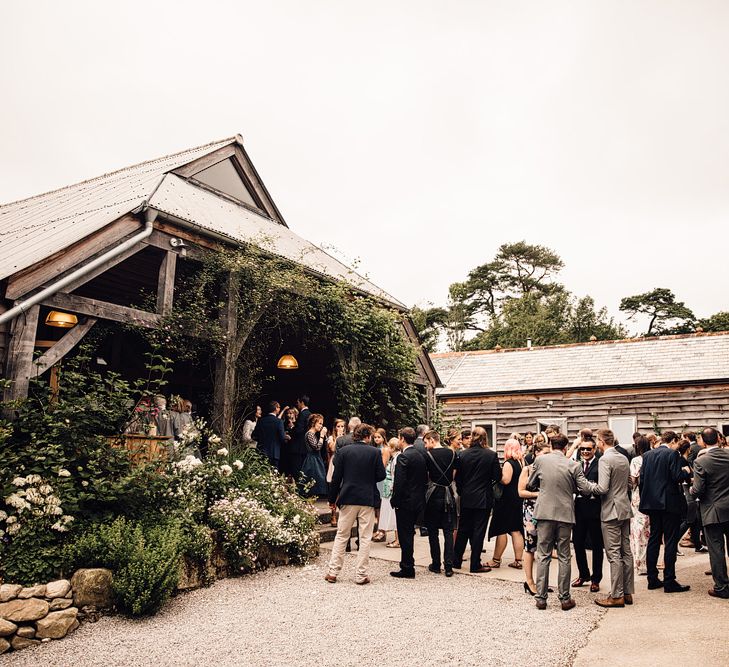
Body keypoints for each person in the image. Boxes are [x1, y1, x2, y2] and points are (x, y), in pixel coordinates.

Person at [527, 434, 596, 611]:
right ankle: (565, 598)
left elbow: (531, 483)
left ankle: (541, 598)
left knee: (543, 555)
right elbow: (585, 489)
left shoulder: (541, 461)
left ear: (551, 445)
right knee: (564, 556)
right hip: (565, 513)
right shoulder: (574, 465)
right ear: (566, 447)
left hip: (544, 513)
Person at [325, 423, 386, 585]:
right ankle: (361, 575)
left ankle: (332, 572)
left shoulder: (344, 452)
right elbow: (381, 476)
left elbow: (336, 478)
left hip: (348, 497)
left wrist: (332, 500)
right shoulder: (374, 452)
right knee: (365, 537)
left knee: (342, 535)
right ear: (367, 436)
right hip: (367, 498)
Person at [639, 430, 692, 593]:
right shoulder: (673, 454)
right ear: (674, 440)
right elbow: (676, 476)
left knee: (654, 539)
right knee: (670, 540)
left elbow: (642, 479)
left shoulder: (647, 455)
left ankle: (652, 578)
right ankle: (669, 580)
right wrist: (686, 472)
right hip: (669, 503)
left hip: (652, 503)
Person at [592, 429, 635, 608]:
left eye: (597, 441)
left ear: (602, 441)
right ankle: (627, 592)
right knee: (626, 551)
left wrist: (586, 486)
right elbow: (630, 483)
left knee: (613, 553)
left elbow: (602, 488)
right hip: (624, 508)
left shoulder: (605, 459)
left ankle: (616, 595)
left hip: (611, 510)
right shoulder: (623, 457)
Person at [453, 426, 502, 574]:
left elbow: (458, 478)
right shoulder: (491, 455)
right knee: (478, 531)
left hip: (467, 496)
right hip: (483, 498)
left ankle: (456, 560)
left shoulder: (462, 455)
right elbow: (497, 477)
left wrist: (462, 492)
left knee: (463, 530)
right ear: (485, 438)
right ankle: (475, 564)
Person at [690, 428, 729, 598]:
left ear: (704, 442)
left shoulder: (702, 461)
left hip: (713, 510)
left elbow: (698, 490)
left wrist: (690, 490)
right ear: (719, 440)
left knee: (716, 550)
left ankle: (722, 587)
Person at [390, 427, 427, 579]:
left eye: (399, 438)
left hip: (405, 502)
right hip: (418, 499)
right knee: (409, 534)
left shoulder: (403, 457)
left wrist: (395, 500)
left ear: (403, 439)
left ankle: (407, 567)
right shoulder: (420, 455)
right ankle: (408, 564)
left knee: (405, 535)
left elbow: (399, 482)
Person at [571, 432, 604, 592]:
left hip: (595, 509)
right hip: (578, 508)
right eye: (582, 449)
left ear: (594, 449)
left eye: (588, 449)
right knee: (577, 542)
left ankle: (596, 578)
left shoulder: (600, 464)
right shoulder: (576, 464)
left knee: (597, 545)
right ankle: (583, 574)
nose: (585, 452)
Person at [519, 438, 552, 595]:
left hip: (547, 510)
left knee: (545, 547)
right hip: (531, 510)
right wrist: (537, 494)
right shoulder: (527, 469)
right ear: (537, 453)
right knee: (530, 545)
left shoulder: (550, 469)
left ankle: (542, 582)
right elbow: (520, 492)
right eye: (545, 453)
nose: (548, 456)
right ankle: (529, 581)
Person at [423, 430, 458, 576]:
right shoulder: (452, 454)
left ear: (432, 440)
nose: (425, 446)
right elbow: (454, 474)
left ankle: (436, 564)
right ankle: (449, 566)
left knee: (432, 531)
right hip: (448, 493)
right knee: (448, 531)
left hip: (433, 494)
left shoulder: (428, 455)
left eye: (426, 442)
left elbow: (427, 476)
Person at [486, 438, 525, 570]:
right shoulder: (521, 462)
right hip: (517, 498)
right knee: (516, 530)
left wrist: (497, 476)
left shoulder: (509, 463)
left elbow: (506, 480)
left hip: (507, 500)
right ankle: (518, 561)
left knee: (501, 529)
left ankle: (496, 560)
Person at [629, 436, 651, 575]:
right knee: (648, 530)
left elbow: (634, 481)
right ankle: (647, 562)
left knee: (637, 531)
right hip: (650, 496)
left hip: (638, 497)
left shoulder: (636, 460)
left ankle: (638, 562)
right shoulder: (651, 458)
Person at [252, 400, 286, 469]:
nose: (279, 409)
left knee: (260, 475)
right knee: (273, 475)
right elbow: (282, 438)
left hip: (261, 452)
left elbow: (254, 436)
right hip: (274, 453)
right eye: (279, 407)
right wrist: (286, 437)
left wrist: (262, 439)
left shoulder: (261, 420)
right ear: (276, 408)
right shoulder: (279, 422)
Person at [379, 437, 400, 547]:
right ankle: (397, 539)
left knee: (395, 516)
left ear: (392, 448)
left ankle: (398, 540)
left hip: (391, 490)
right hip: (388, 489)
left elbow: (394, 476)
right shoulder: (394, 458)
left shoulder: (396, 459)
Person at [301, 413, 328, 496]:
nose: (321, 426)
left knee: (318, 479)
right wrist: (322, 436)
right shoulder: (309, 434)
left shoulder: (312, 434)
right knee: (313, 479)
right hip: (312, 460)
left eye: (322, 424)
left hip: (315, 458)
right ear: (313, 423)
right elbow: (317, 447)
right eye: (319, 423)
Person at [325, 419, 346, 526]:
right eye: (338, 426)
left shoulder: (346, 438)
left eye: (342, 426)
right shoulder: (331, 438)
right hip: (334, 463)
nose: (341, 428)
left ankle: (342, 516)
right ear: (335, 428)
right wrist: (338, 437)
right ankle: (333, 515)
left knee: (342, 490)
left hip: (344, 463)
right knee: (334, 489)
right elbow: (333, 448)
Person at [372, 428, 391, 542]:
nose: (376, 439)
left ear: (383, 437)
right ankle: (379, 529)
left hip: (381, 479)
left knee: (381, 506)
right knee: (377, 507)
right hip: (375, 478)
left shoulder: (385, 449)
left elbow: (383, 466)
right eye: (375, 437)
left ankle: (382, 531)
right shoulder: (375, 449)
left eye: (378, 437)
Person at [291, 395, 312, 480]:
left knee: (297, 469)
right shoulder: (310, 413)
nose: (297, 404)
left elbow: (299, 430)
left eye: (298, 402)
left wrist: (292, 430)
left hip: (299, 446)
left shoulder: (302, 414)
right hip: (306, 446)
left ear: (302, 402)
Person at [279, 407, 299, 479]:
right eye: (287, 413)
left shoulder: (297, 424)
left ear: (295, 414)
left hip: (294, 449)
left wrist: (292, 427)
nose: (288, 415)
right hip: (285, 448)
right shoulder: (284, 423)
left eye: (291, 413)